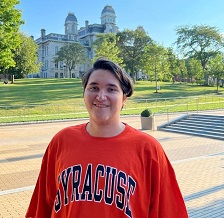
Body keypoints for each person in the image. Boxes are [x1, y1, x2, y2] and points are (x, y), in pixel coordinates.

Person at [26, 58, 188, 218]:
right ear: (84, 93)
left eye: (111, 89)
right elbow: (42, 207)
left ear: (124, 99)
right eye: (94, 88)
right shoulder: (61, 141)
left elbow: (169, 211)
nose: (101, 96)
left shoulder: (148, 149)